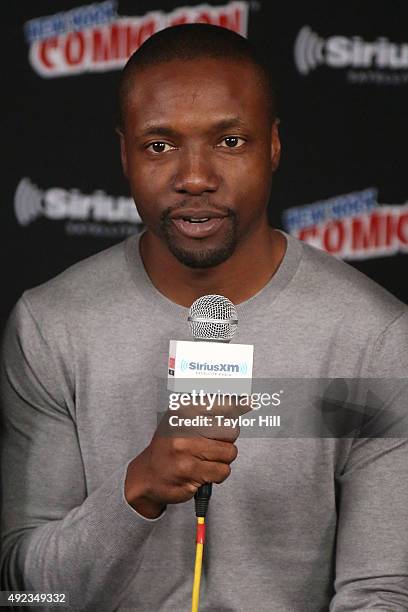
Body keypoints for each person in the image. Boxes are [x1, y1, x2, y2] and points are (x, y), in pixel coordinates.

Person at [1, 23, 408, 612]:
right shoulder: (49, 325)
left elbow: (383, 594)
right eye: (160, 145)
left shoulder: (374, 337)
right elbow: (30, 596)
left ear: (273, 145)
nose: (195, 178)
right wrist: (135, 490)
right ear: (124, 153)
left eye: (230, 141)